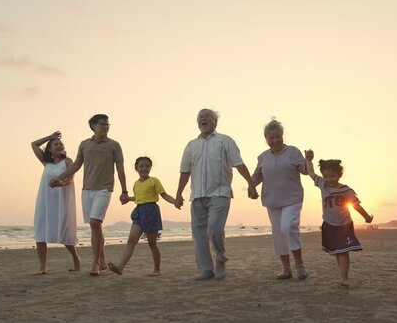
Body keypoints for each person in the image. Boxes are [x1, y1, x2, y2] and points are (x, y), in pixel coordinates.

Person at [175, 108, 258, 281]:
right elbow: (185, 171)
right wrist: (178, 194)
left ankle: (220, 259)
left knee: (214, 229)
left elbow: (239, 164)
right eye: (200, 117)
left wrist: (251, 183)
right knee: (198, 235)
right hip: (197, 195)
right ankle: (205, 269)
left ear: (215, 122)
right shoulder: (191, 145)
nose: (203, 119)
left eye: (207, 117)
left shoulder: (225, 141)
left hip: (220, 193)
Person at [50, 114, 129, 276]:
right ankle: (102, 261)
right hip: (87, 190)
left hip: (104, 189)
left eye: (108, 124)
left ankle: (94, 265)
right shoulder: (84, 144)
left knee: (94, 223)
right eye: (102, 124)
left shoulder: (114, 145)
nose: (106, 127)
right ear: (93, 126)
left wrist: (124, 191)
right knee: (96, 226)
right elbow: (77, 165)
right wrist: (59, 178)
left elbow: (120, 168)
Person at [304, 150, 373, 288]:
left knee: (343, 251)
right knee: (337, 251)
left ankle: (344, 278)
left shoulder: (346, 190)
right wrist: (309, 160)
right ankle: (343, 275)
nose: (329, 179)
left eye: (332, 176)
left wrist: (366, 217)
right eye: (326, 176)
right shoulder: (322, 184)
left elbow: (356, 206)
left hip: (344, 225)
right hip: (329, 225)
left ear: (339, 175)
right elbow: (311, 173)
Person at [251, 118, 309, 281]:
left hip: (292, 198)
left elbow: (304, 170)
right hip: (272, 200)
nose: (275, 140)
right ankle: (286, 269)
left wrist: (308, 160)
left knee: (288, 227)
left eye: (277, 136)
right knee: (278, 234)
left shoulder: (292, 152)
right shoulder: (263, 157)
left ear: (282, 136)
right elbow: (257, 176)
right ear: (266, 139)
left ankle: (300, 265)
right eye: (271, 138)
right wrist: (251, 186)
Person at [108, 157, 177, 276]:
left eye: (147, 166)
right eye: (141, 166)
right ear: (136, 168)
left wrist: (175, 201)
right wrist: (128, 199)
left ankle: (157, 269)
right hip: (139, 211)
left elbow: (164, 195)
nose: (144, 168)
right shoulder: (135, 184)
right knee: (131, 241)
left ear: (150, 168)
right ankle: (120, 267)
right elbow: (139, 198)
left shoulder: (154, 180)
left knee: (152, 243)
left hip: (151, 211)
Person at [30, 131, 80, 275]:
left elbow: (70, 179)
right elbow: (34, 144)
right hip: (45, 201)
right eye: (55, 144)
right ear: (50, 149)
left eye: (60, 144)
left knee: (64, 231)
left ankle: (76, 258)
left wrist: (60, 184)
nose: (59, 145)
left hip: (62, 200)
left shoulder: (68, 161)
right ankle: (43, 266)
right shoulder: (47, 163)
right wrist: (50, 137)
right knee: (41, 232)